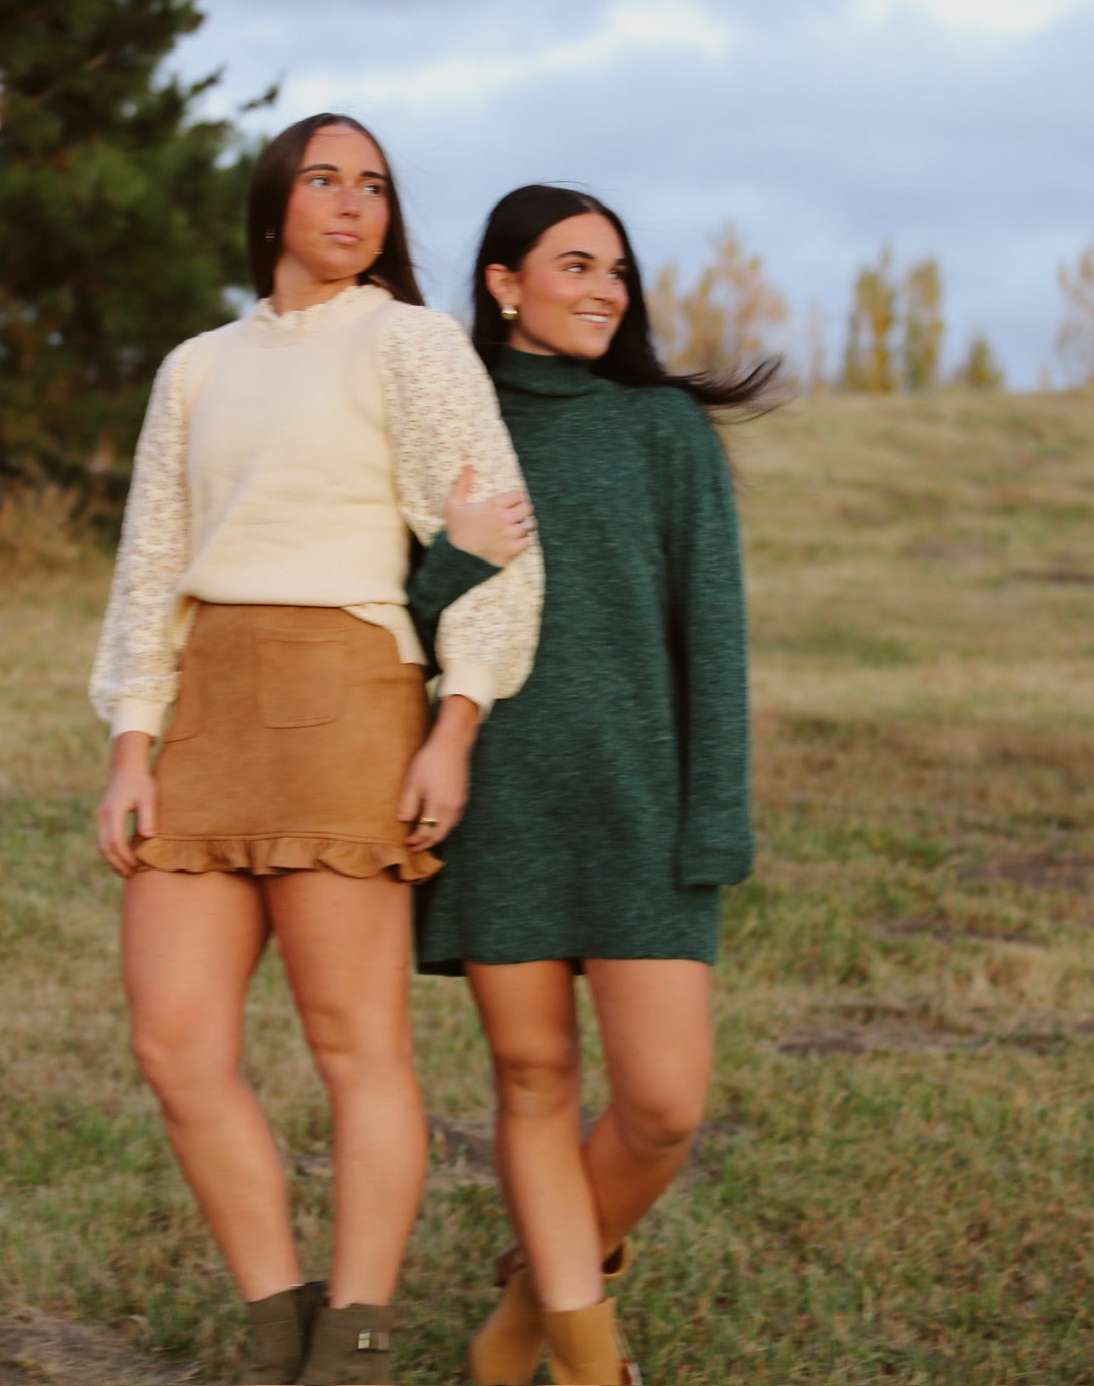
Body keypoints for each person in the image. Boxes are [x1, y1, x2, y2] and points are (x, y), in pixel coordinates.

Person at [88, 114, 544, 1385]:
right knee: (174, 1042)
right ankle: (277, 1322)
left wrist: (457, 722)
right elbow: (151, 565)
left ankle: (355, 1341)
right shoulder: (196, 367)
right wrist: (132, 744)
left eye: (375, 187)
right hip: (207, 712)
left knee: (356, 1047)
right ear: (273, 203)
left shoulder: (410, 342)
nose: (353, 204)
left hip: (349, 697)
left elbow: (502, 542)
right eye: (326, 180)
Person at [404, 185, 776, 1385]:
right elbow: (400, 614)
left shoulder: (663, 431)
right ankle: (587, 1363)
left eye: (617, 270)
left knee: (664, 1105)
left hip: (640, 810)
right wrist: (454, 561)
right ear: (504, 283)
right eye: (576, 265)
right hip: (499, 802)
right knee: (533, 1081)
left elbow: (713, 637)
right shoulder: (448, 422)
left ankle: (524, 1314)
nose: (607, 290)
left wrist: (713, 821)